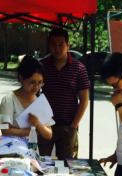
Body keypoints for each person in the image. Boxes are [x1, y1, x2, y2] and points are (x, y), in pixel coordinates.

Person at [39, 27, 90, 158]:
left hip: (68, 125)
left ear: (68, 46)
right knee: (41, 161)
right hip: (45, 124)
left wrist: (74, 125)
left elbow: (84, 99)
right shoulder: (42, 66)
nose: (57, 49)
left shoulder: (79, 68)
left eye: (60, 45)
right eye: (53, 45)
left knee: (68, 164)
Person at [0, 55, 53, 143]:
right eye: (32, 82)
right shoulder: (8, 100)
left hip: (31, 150)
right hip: (11, 149)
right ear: (21, 78)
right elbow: (4, 130)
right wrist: (31, 131)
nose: (36, 87)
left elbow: (49, 134)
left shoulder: (40, 103)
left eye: (40, 83)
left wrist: (38, 124)